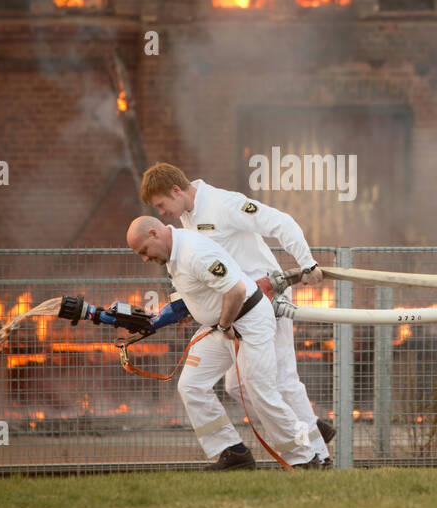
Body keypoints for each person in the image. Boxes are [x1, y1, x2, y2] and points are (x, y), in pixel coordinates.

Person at [139, 163, 335, 466]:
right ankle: (308, 427)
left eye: (162, 204)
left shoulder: (222, 203)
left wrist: (307, 263)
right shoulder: (188, 220)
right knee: (237, 386)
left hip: (266, 301)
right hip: (234, 310)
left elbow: (280, 222)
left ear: (176, 190)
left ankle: (318, 455)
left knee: (281, 382)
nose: (162, 212)